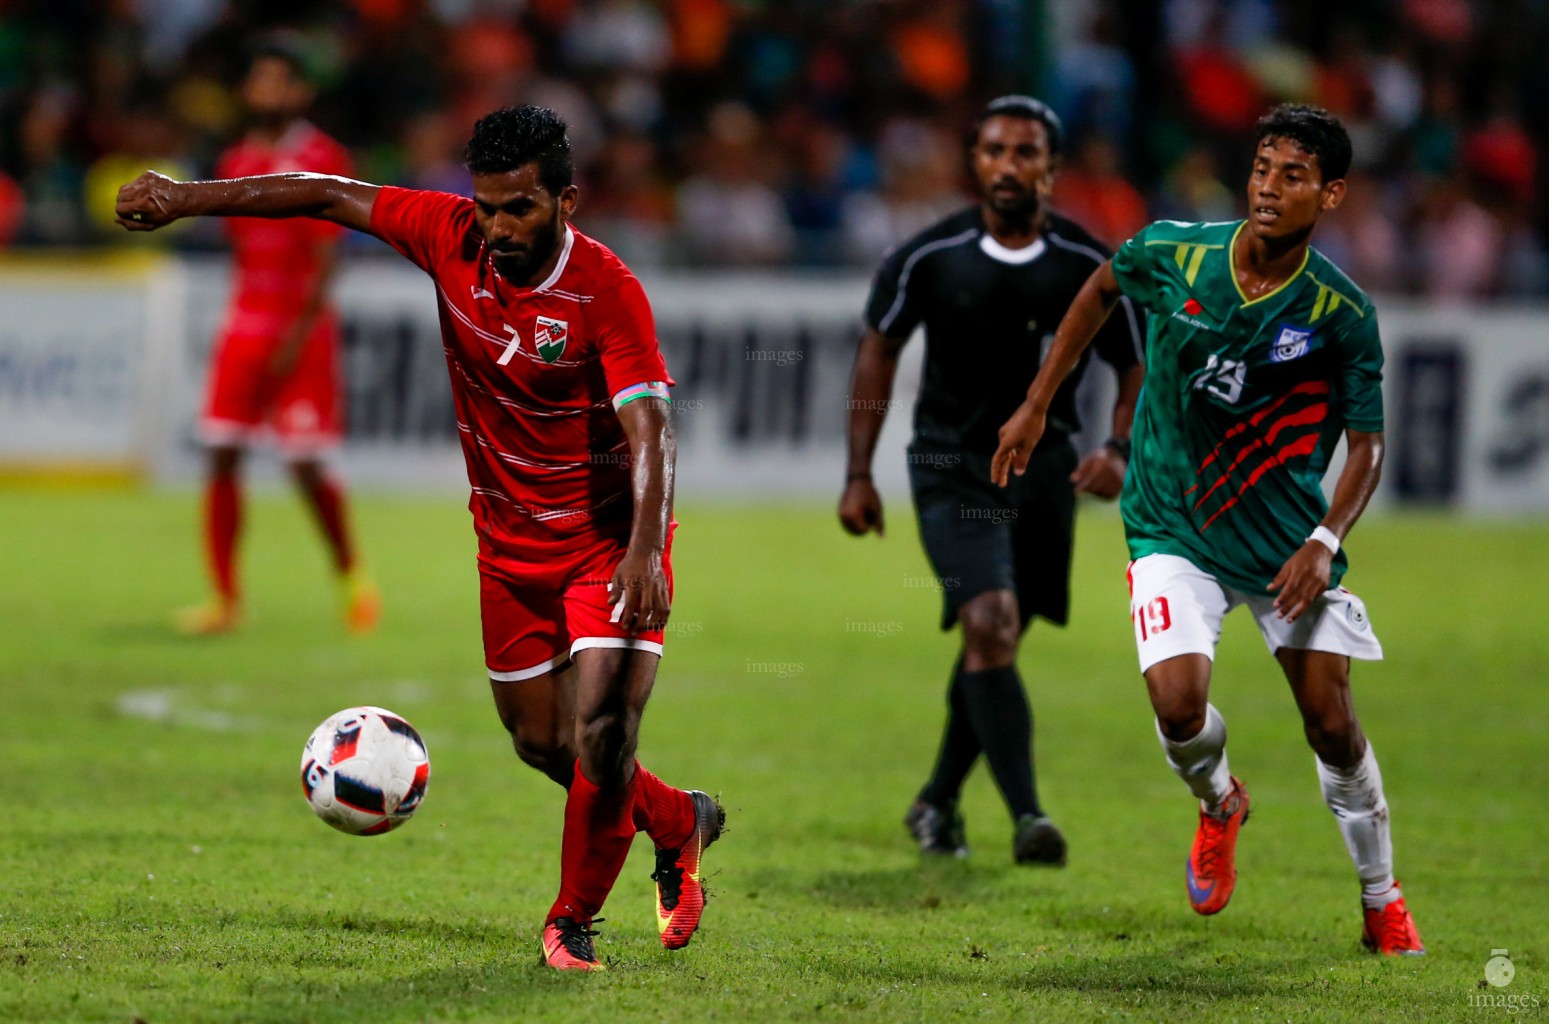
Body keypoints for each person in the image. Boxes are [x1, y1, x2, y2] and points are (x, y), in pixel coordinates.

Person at [116, 105, 724, 971]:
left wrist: (642, 550)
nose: (498, 226)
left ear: (567, 202)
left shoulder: (606, 290)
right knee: (541, 743)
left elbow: (653, 428)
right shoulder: (448, 235)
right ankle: (676, 819)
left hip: (608, 545)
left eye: (519, 207)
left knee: (602, 731)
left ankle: (569, 921)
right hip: (507, 545)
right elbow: (326, 194)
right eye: (485, 205)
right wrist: (186, 197)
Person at [991, 104, 1424, 955]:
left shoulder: (1340, 313)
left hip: (1283, 545)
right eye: (1262, 167)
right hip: (1170, 524)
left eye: (1293, 175)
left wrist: (1324, 541)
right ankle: (1219, 801)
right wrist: (1038, 403)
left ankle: (1381, 898)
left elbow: (1368, 446)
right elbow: (1099, 289)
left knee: (1329, 723)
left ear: (1329, 193)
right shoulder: (1176, 251)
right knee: (1176, 703)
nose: (1268, 186)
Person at [840, 95, 1144, 865]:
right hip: (952, 467)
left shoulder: (1088, 265)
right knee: (990, 623)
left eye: (1025, 152)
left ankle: (934, 802)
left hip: (1046, 474)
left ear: (1052, 166)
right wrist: (857, 473)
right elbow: (877, 349)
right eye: (994, 152)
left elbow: (1135, 362)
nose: (1008, 166)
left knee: (994, 641)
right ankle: (1028, 818)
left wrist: (1116, 446)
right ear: (973, 163)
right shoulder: (927, 256)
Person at [179, 41, 379, 635]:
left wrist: (296, 336)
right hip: (245, 324)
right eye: (258, 80)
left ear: (300, 93)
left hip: (301, 334)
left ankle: (352, 575)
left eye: (277, 82)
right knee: (220, 452)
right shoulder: (235, 158)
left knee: (306, 466)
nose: (265, 92)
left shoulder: (321, 156)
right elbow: (240, 248)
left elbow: (325, 260)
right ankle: (225, 598)